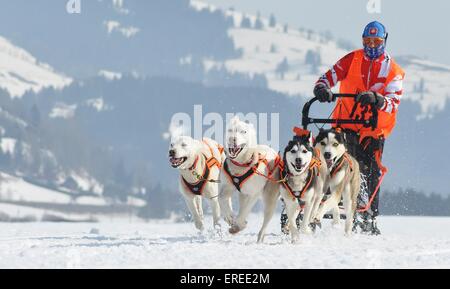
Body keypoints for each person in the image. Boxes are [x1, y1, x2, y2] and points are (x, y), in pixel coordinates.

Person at [313, 21, 405, 235]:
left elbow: (393, 102)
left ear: (384, 41)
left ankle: (369, 215)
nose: (372, 45)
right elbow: (328, 76)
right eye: (367, 41)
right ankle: (314, 198)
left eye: (376, 41)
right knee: (325, 161)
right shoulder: (352, 59)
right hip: (343, 126)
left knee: (367, 169)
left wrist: (377, 99)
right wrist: (322, 88)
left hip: (373, 130)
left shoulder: (394, 71)